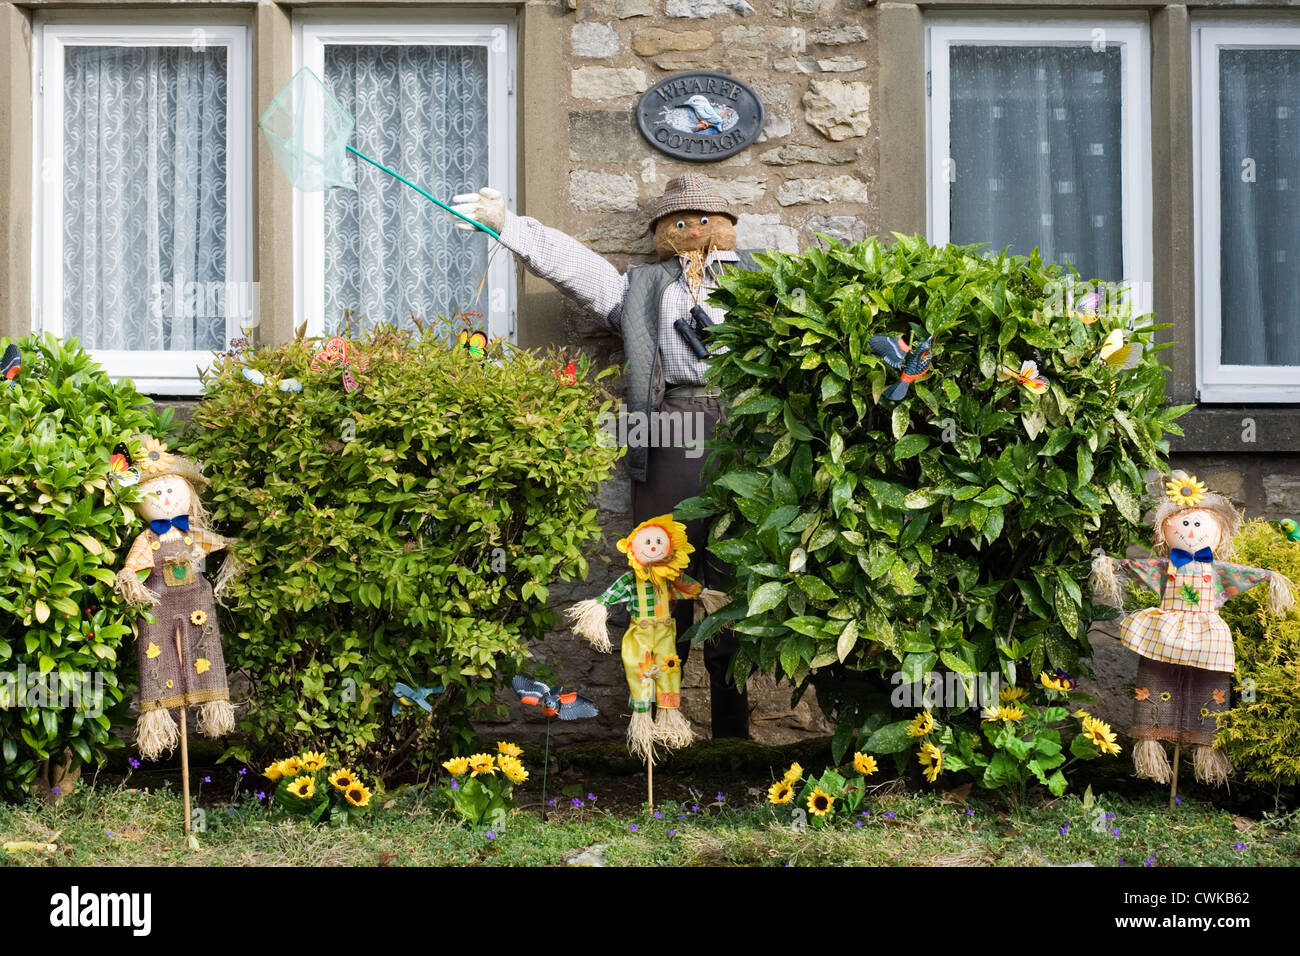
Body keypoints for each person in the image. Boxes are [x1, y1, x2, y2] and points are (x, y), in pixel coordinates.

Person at [451, 174, 754, 738]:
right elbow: (578, 268)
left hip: (749, 436)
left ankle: (734, 734)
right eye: (679, 222)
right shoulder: (640, 286)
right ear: (663, 232)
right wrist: (509, 225)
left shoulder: (766, 285)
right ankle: (660, 721)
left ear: (728, 228)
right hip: (669, 428)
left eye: (704, 220)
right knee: (660, 569)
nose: (692, 231)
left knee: (734, 575)